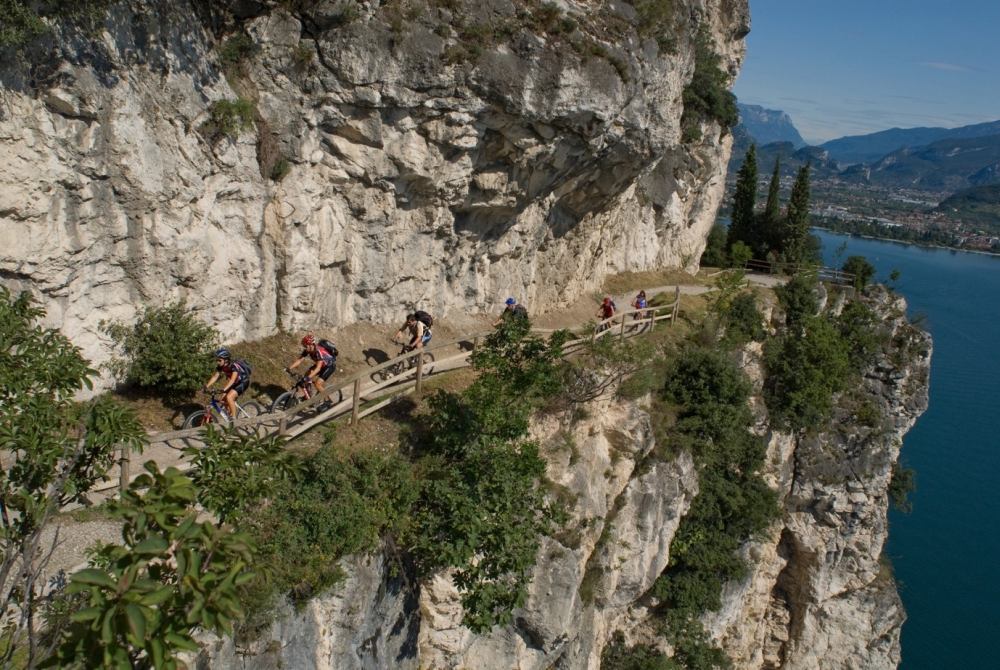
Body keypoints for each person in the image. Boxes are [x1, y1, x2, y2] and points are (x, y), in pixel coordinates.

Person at [204, 347, 249, 419]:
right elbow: (215, 377)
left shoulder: (233, 366)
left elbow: (232, 380)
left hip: (243, 382)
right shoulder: (221, 366)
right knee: (222, 399)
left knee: (229, 397)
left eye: (219, 360)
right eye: (217, 360)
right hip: (235, 383)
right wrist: (206, 386)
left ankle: (234, 419)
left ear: (226, 360)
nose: (217, 362)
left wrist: (224, 389)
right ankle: (230, 413)